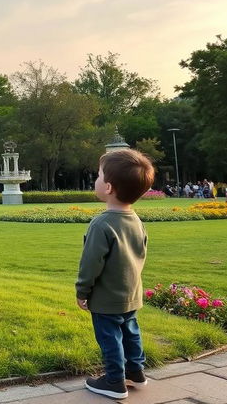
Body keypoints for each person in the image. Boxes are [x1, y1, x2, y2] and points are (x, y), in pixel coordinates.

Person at [76, 149, 155, 400]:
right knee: (131, 332)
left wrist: (82, 291)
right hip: (131, 294)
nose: (95, 180)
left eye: (98, 176)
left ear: (108, 187)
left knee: (110, 338)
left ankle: (114, 381)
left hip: (106, 298)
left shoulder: (102, 224)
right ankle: (136, 371)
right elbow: (140, 254)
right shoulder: (135, 220)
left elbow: (91, 264)